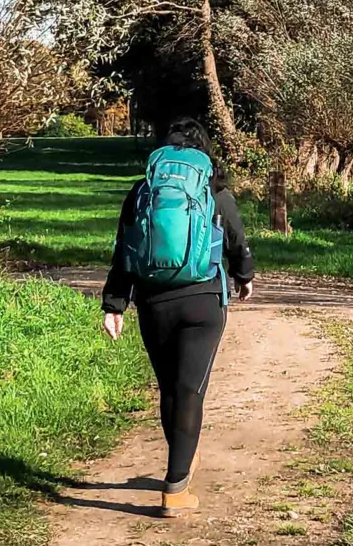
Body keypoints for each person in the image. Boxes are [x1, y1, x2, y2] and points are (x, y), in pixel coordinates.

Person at [101, 117, 255, 516]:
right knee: (190, 391)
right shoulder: (213, 189)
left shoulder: (142, 192)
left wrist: (115, 303)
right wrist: (245, 276)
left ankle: (182, 460)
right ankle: (175, 488)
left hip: (153, 302)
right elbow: (236, 238)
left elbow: (125, 249)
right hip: (203, 301)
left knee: (169, 389)